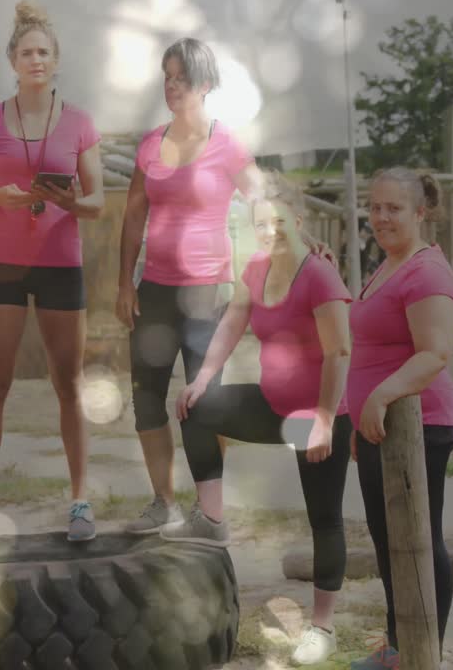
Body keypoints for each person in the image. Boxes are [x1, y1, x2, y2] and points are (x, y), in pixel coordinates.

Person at [117, 37, 329, 534]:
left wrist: (306, 236)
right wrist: (124, 283)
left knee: (200, 401)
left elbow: (265, 199)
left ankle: (209, 513)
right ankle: (162, 503)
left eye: (181, 78)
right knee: (146, 398)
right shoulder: (149, 144)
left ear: (205, 85)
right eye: (166, 77)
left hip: (206, 293)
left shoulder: (225, 144)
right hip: (154, 290)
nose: (171, 86)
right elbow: (131, 217)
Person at [167, 173, 353, 665]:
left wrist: (325, 421)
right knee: (194, 408)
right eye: (258, 225)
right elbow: (232, 321)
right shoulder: (257, 267)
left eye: (276, 223)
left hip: (314, 416)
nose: (268, 232)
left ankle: (322, 627)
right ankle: (211, 519)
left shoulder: (319, 274)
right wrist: (205, 376)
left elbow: (339, 351)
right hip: (273, 408)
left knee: (324, 517)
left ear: (297, 220)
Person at [0, 0, 105, 542]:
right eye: (26, 52)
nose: (35, 59)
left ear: (55, 60)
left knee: (69, 385)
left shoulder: (80, 122)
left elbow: (97, 204)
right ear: (13, 61)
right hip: (2, 266)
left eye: (44, 52)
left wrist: (64, 200)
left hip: (59, 266)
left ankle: (80, 503)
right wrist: (0, 195)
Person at [347, 168, 453, 670]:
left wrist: (381, 396)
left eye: (393, 208)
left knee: (417, 537)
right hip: (383, 428)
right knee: (388, 537)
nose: (381, 217)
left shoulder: (426, 271)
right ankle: (400, 649)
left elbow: (435, 353)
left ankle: (423, 655)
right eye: (375, 207)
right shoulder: (389, 264)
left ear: (421, 212)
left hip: (420, 425)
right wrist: (362, 415)